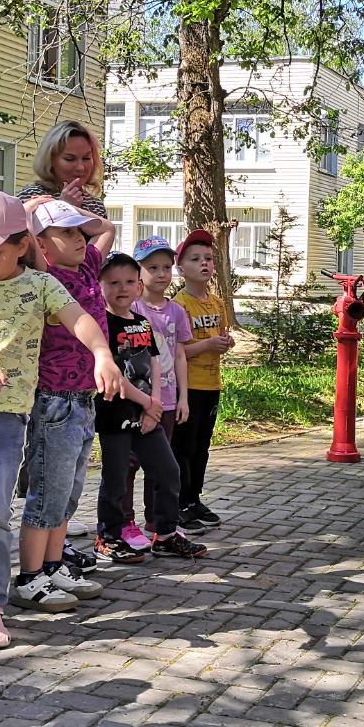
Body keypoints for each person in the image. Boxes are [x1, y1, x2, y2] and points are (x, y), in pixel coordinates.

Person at [0, 193, 121, 657]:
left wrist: (102, 354)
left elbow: (82, 321)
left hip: (8, 417)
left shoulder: (41, 285)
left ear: (18, 244)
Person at [22, 196, 110, 586]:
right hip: (55, 400)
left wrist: (62, 206)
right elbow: (25, 238)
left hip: (84, 399)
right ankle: (31, 575)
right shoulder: (45, 276)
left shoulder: (89, 266)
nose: (80, 238)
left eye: (78, 231)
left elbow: (106, 228)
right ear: (40, 244)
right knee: (47, 492)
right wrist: (31, 210)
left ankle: (54, 567)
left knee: (68, 493)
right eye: (67, 232)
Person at [96, 253, 206, 561]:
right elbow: (114, 372)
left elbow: (155, 362)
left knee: (167, 472)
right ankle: (108, 537)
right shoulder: (101, 324)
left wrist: (154, 404)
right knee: (116, 478)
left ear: (138, 284)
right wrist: (148, 404)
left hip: (148, 413)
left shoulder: (142, 322)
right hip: (116, 414)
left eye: (129, 281)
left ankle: (166, 534)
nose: (122, 288)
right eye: (113, 282)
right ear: (100, 285)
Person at [129, 236, 192, 556]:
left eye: (167, 267)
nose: (161, 274)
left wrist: (182, 398)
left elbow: (180, 354)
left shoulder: (177, 311)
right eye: (152, 267)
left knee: (162, 465)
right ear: (138, 272)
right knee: (128, 464)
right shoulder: (132, 308)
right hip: (135, 400)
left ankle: (157, 523)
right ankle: (124, 522)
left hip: (167, 399)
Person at [171, 231, 232, 531]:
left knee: (202, 446)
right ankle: (179, 502)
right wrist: (208, 345)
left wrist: (224, 341)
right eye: (195, 259)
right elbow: (176, 350)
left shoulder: (218, 303)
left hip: (212, 386)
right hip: (188, 387)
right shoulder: (179, 305)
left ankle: (195, 498)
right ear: (181, 269)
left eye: (208, 258)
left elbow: (219, 336)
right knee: (183, 446)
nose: (204, 264)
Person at [14, 119, 116, 255]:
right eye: (70, 159)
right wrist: (63, 208)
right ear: (50, 160)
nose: (80, 167)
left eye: (86, 158)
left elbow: (95, 260)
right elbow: (22, 252)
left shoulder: (95, 205)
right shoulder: (32, 197)